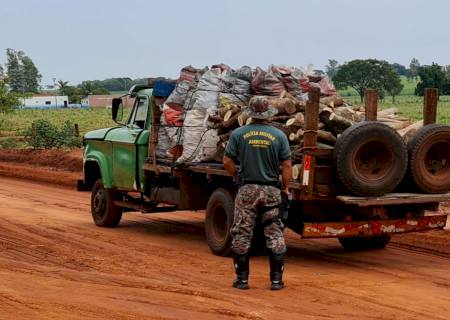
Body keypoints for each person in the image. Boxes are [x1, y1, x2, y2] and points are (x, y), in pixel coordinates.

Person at [223, 96, 292, 290]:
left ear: (251, 114)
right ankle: (276, 281)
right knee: (274, 233)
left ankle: (242, 280)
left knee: (242, 233)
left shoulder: (238, 134)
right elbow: (287, 165)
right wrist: (286, 188)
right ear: (269, 113)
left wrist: (236, 176)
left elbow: (227, 161)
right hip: (271, 191)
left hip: (247, 190)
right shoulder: (279, 136)